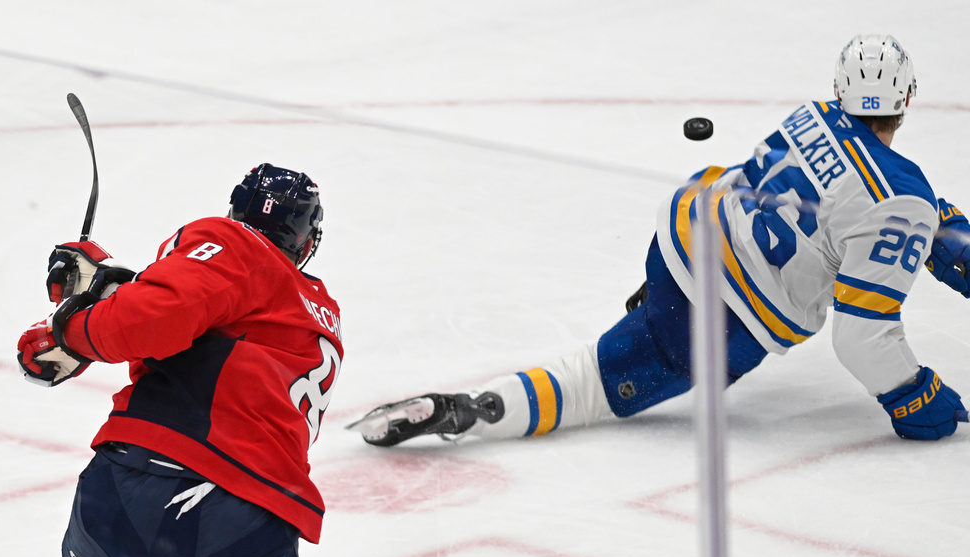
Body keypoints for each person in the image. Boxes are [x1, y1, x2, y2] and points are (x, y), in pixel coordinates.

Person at [349, 34, 969, 448]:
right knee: (590, 380)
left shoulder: (811, 114)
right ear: (907, 98)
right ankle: (475, 408)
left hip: (679, 243)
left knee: (656, 305)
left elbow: (852, 196)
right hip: (719, 322)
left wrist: (931, 226)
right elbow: (863, 335)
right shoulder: (902, 196)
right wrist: (916, 399)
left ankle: (648, 307)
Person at [17, 163, 342, 557]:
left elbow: (154, 318)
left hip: (128, 497)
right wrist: (112, 294)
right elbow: (193, 318)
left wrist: (71, 326)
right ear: (307, 238)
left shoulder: (230, 242)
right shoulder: (319, 311)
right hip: (236, 518)